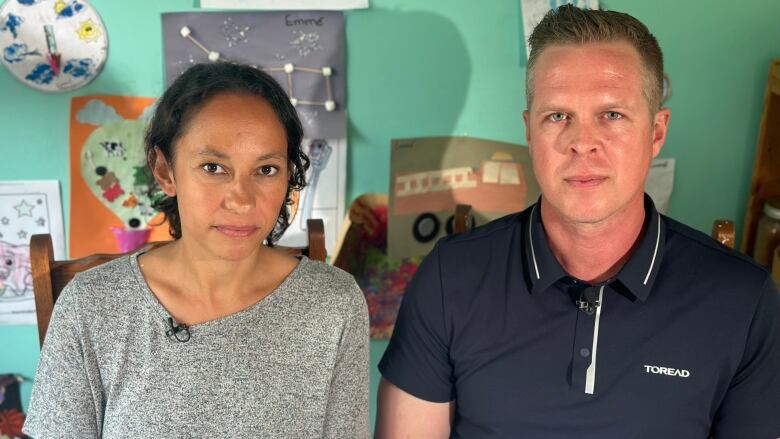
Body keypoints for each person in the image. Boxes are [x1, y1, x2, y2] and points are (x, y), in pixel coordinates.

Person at [376, 5, 780, 438]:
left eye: (611, 115)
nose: (582, 143)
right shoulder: (449, 279)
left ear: (657, 132)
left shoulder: (743, 300)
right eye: (558, 116)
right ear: (530, 132)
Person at [24, 62, 369, 438]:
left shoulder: (333, 304)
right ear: (165, 171)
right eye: (212, 167)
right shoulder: (92, 306)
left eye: (266, 170)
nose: (241, 199)